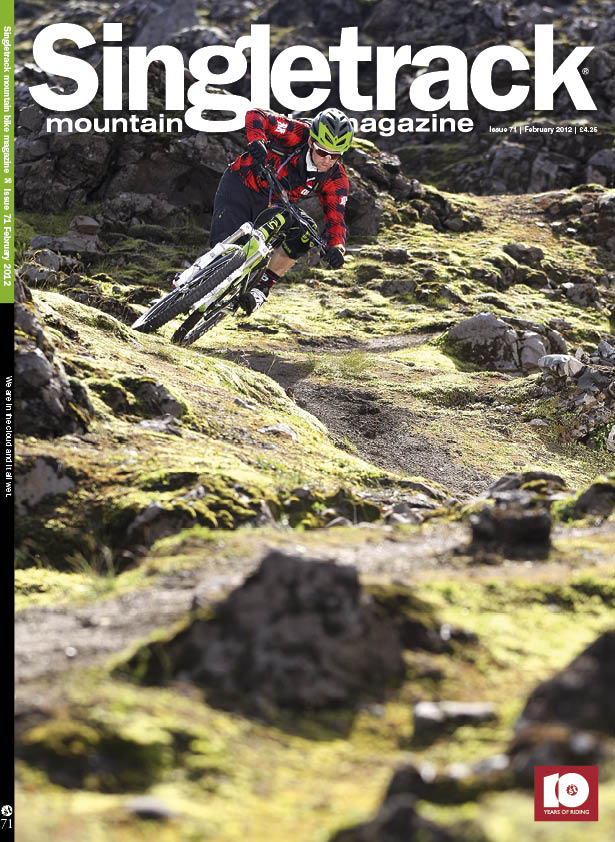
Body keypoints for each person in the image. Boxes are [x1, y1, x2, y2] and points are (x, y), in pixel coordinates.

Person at [209, 106, 354, 314]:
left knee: (306, 233)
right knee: (223, 251)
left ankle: (261, 289)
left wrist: (337, 248)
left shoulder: (336, 178)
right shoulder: (296, 132)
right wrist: (257, 140)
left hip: (275, 203)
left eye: (335, 155)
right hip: (241, 184)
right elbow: (257, 115)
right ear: (311, 142)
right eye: (322, 151)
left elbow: (336, 218)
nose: (327, 160)